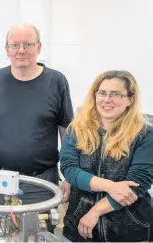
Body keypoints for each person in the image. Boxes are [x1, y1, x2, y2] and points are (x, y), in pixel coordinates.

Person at [0, 23, 74, 208]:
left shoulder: (56, 81)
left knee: (38, 234)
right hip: (1, 180)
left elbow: (66, 131)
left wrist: (69, 173)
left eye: (28, 44)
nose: (21, 50)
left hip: (42, 181)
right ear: (7, 50)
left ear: (39, 47)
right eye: (15, 45)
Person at [60, 70, 153, 242]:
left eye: (116, 94)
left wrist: (96, 211)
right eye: (102, 93)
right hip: (78, 229)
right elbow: (69, 169)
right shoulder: (77, 128)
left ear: (130, 100)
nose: (107, 99)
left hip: (129, 232)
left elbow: (137, 184)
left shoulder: (145, 134)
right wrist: (110, 186)